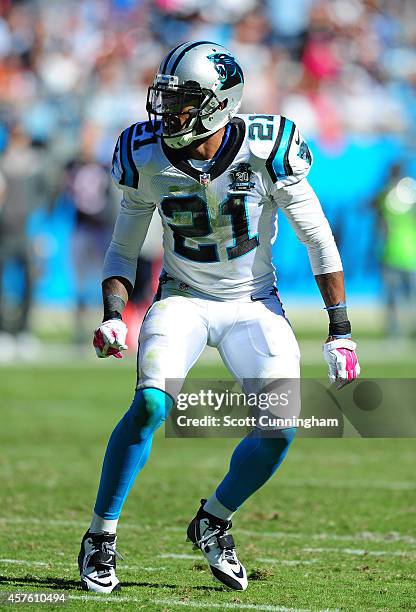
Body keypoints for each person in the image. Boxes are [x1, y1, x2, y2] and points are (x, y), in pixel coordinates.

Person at [78, 41, 360, 593]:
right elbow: (123, 248)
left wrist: (340, 328)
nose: (169, 112)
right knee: (151, 404)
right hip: (182, 295)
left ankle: (214, 518)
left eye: (184, 100)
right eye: (168, 98)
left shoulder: (267, 147)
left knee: (279, 429)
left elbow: (318, 239)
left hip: (254, 301)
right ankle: (100, 535)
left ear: (219, 102)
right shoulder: (144, 153)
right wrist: (114, 313)